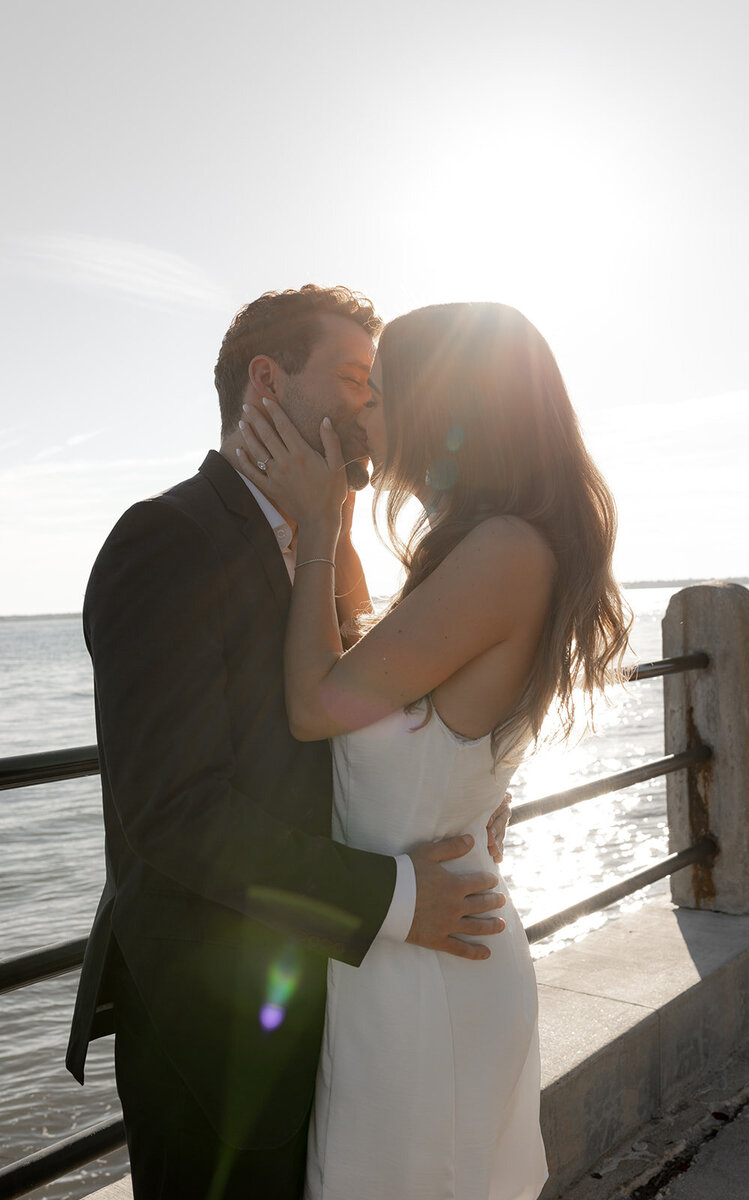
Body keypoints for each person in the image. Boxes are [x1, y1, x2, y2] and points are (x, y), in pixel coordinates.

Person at [66, 286, 512, 1200]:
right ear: (266, 382)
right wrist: (396, 898)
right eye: (356, 378)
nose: (373, 406)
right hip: (220, 1032)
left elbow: (358, 732)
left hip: (335, 1002)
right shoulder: (168, 540)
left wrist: (454, 798)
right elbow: (178, 813)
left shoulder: (328, 547)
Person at [236, 300, 632, 1200]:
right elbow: (371, 660)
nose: (364, 412)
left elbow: (314, 702)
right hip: (406, 951)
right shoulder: (486, 547)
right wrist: (331, 516)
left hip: (430, 977)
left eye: (380, 393)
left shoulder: (503, 552)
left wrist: (318, 526)